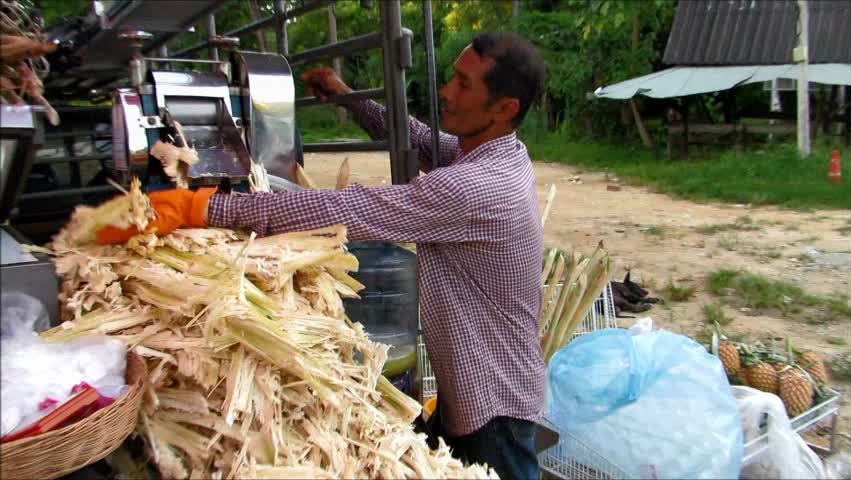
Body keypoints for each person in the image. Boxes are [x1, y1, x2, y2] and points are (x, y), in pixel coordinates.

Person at [97, 31, 547, 480]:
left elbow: (346, 210)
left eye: (464, 85)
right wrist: (349, 99)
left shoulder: (479, 188)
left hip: (495, 406)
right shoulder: (492, 155)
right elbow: (422, 140)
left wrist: (200, 207)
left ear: (504, 108)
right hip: (476, 389)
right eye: (452, 78)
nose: (447, 92)